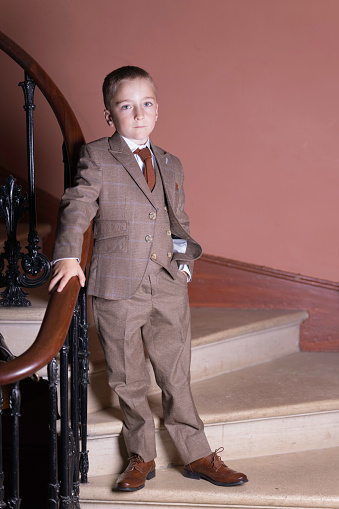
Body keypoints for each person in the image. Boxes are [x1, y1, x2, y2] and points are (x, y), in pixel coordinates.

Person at [49, 66, 248, 492]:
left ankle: (196, 452)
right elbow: (77, 205)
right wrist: (68, 255)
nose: (138, 114)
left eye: (147, 104)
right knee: (127, 375)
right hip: (117, 284)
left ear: (157, 109)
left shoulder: (171, 163)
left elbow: (179, 220)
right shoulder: (98, 156)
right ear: (110, 115)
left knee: (176, 372)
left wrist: (184, 261)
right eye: (126, 106)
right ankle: (142, 453)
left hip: (167, 282)